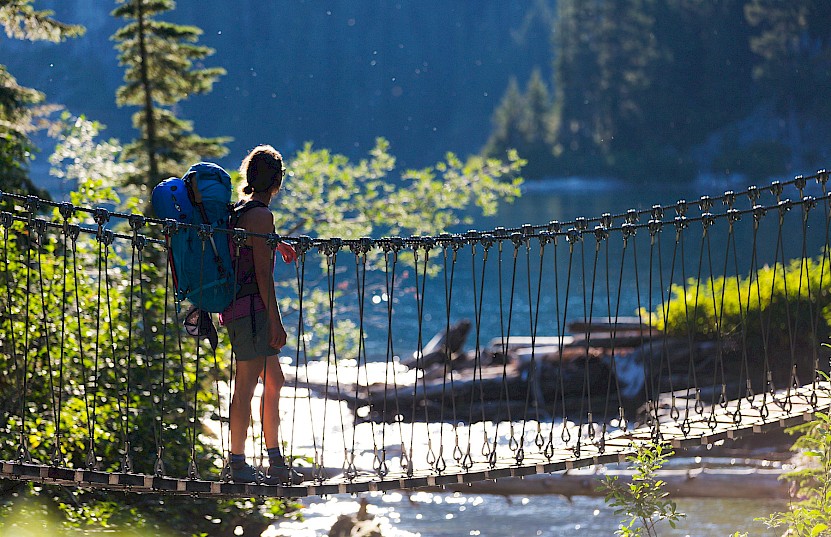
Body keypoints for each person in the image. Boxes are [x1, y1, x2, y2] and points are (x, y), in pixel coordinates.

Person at [219, 144, 302, 485]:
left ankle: (275, 461)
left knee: (274, 381)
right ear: (277, 182)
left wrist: (275, 242)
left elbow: (251, 245)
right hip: (252, 312)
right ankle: (237, 463)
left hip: (239, 310)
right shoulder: (262, 216)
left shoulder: (241, 210)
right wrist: (276, 323)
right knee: (245, 387)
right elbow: (263, 275)